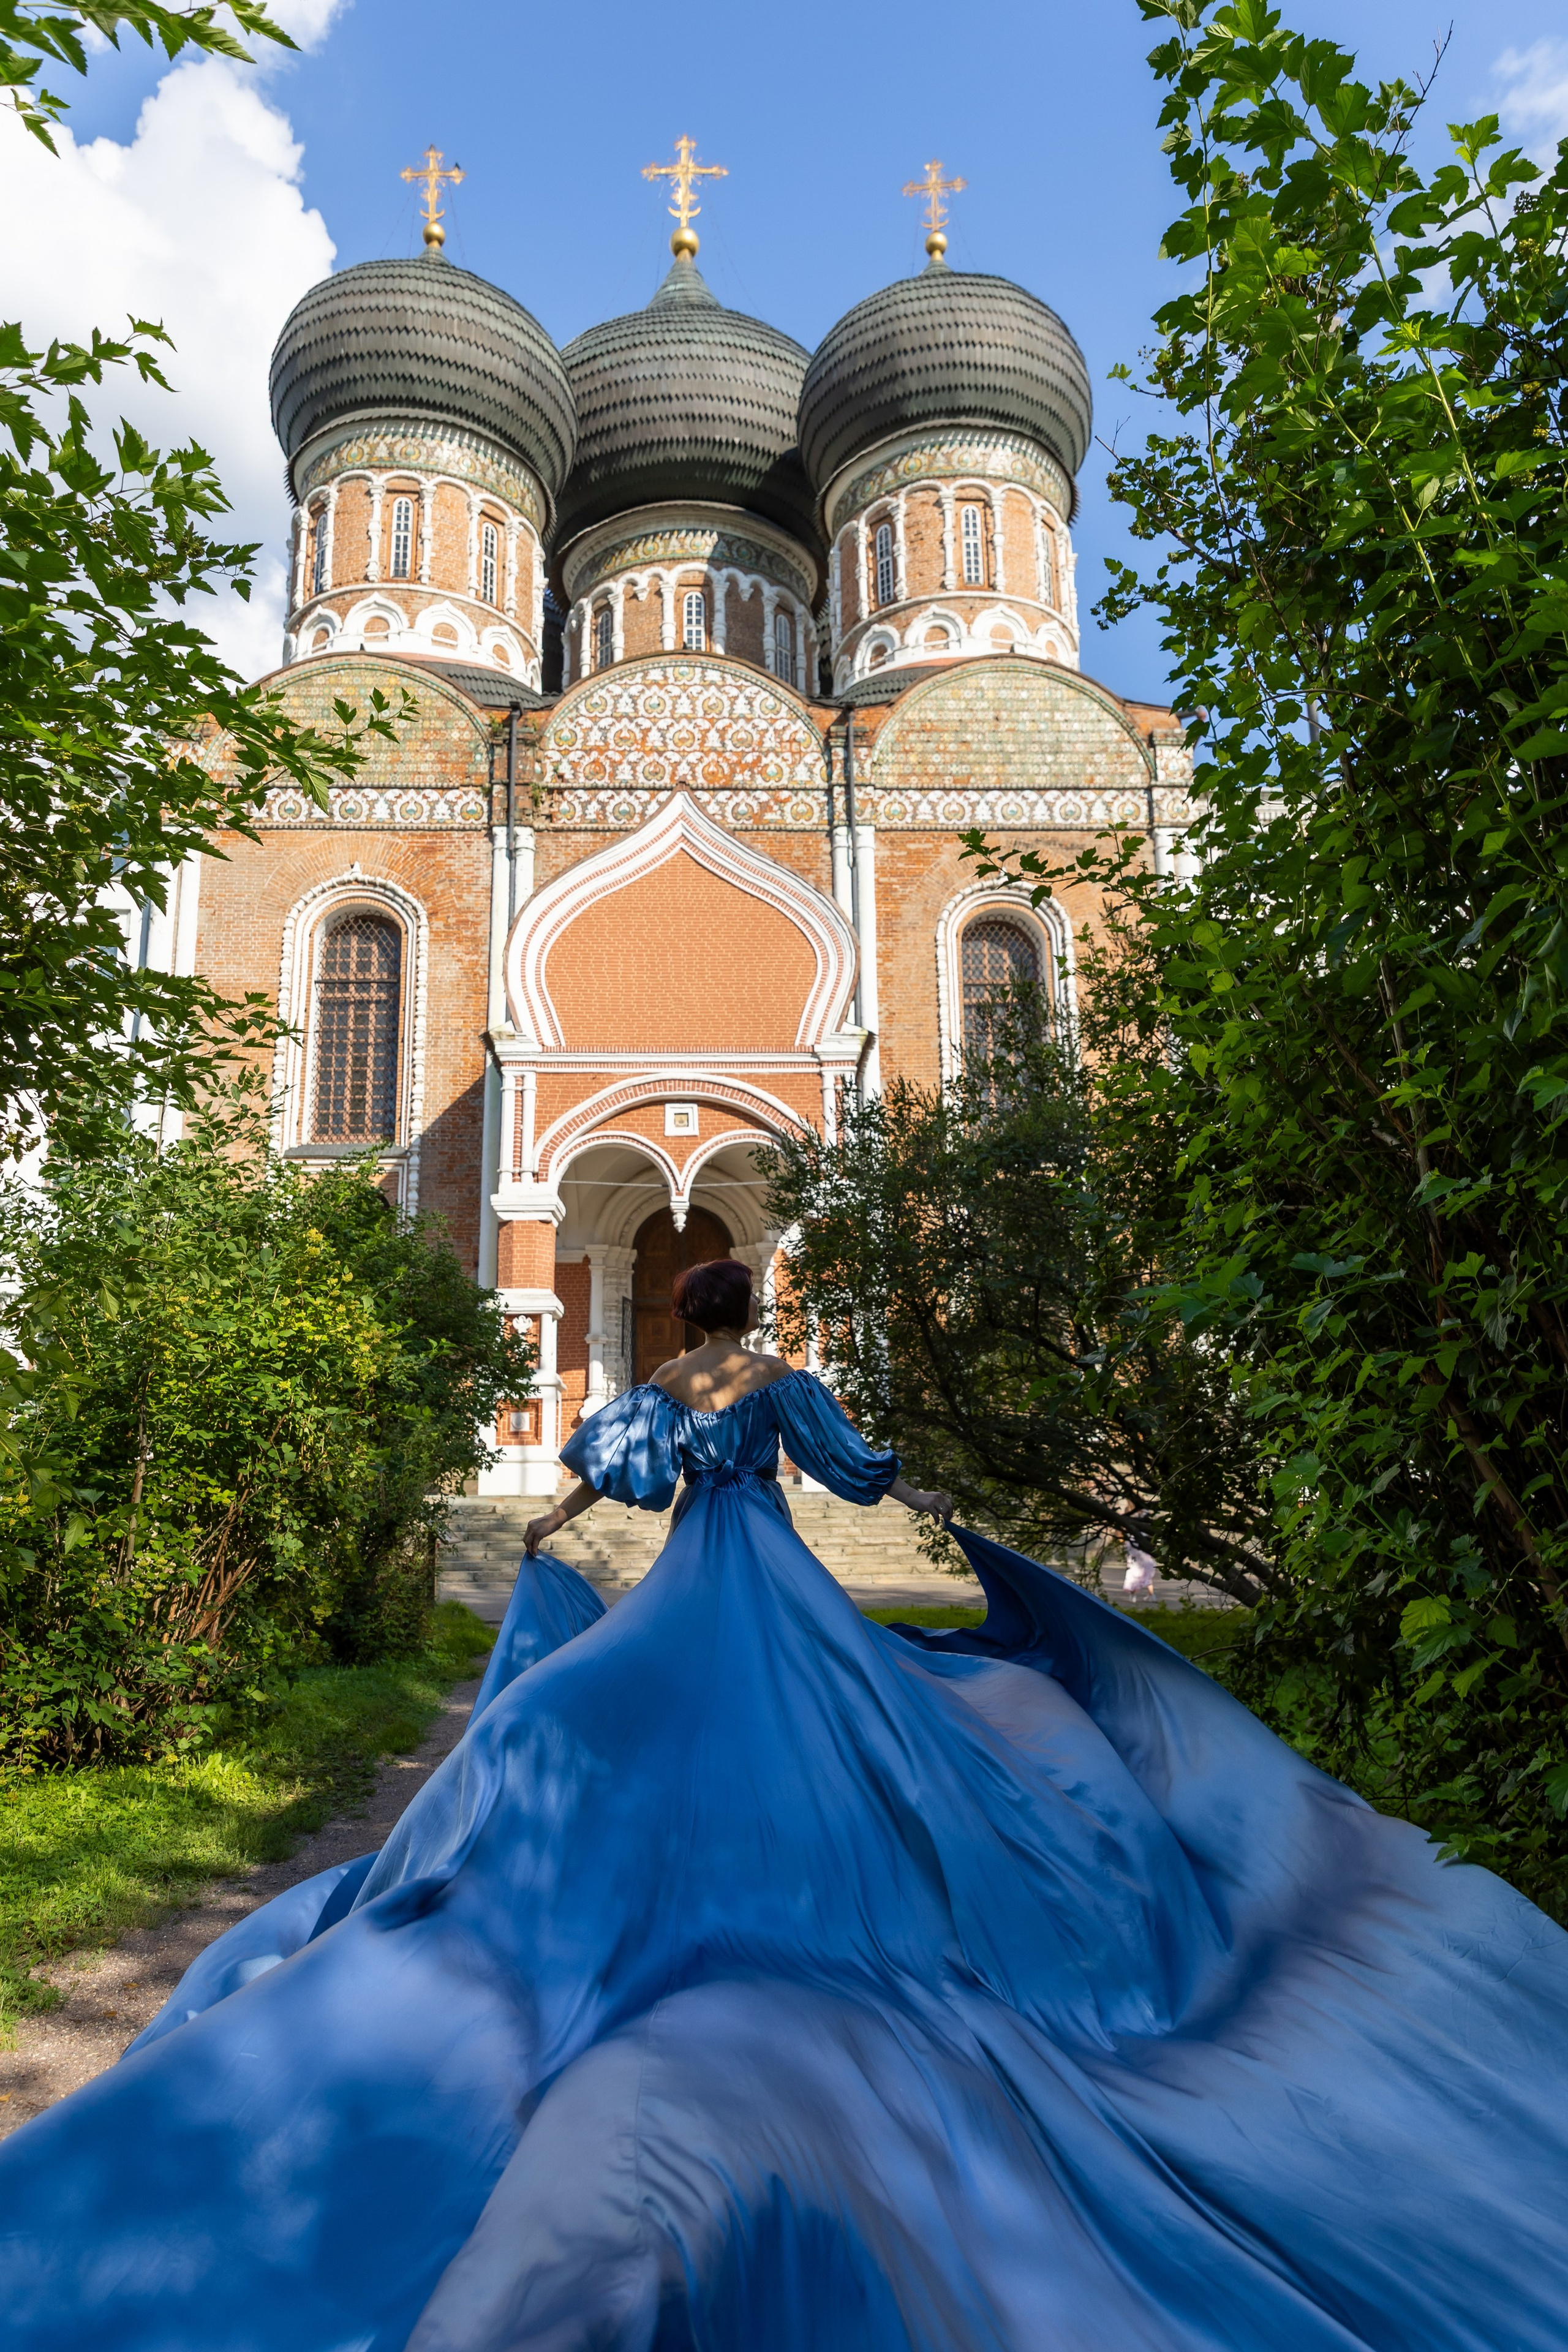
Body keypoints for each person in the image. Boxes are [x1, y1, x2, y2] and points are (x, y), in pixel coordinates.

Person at [2, 1257, 1567, 2352]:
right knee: (867, 1728)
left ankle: (644, 1900)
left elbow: (608, 1464)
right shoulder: (779, 1381)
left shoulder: (672, 1385)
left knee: (619, 1720)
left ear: (684, 1317)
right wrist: (933, 1503)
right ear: (756, 1310)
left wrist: (546, 1523)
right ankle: (843, 1902)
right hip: (779, 1577)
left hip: (693, 1572)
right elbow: (851, 1469)